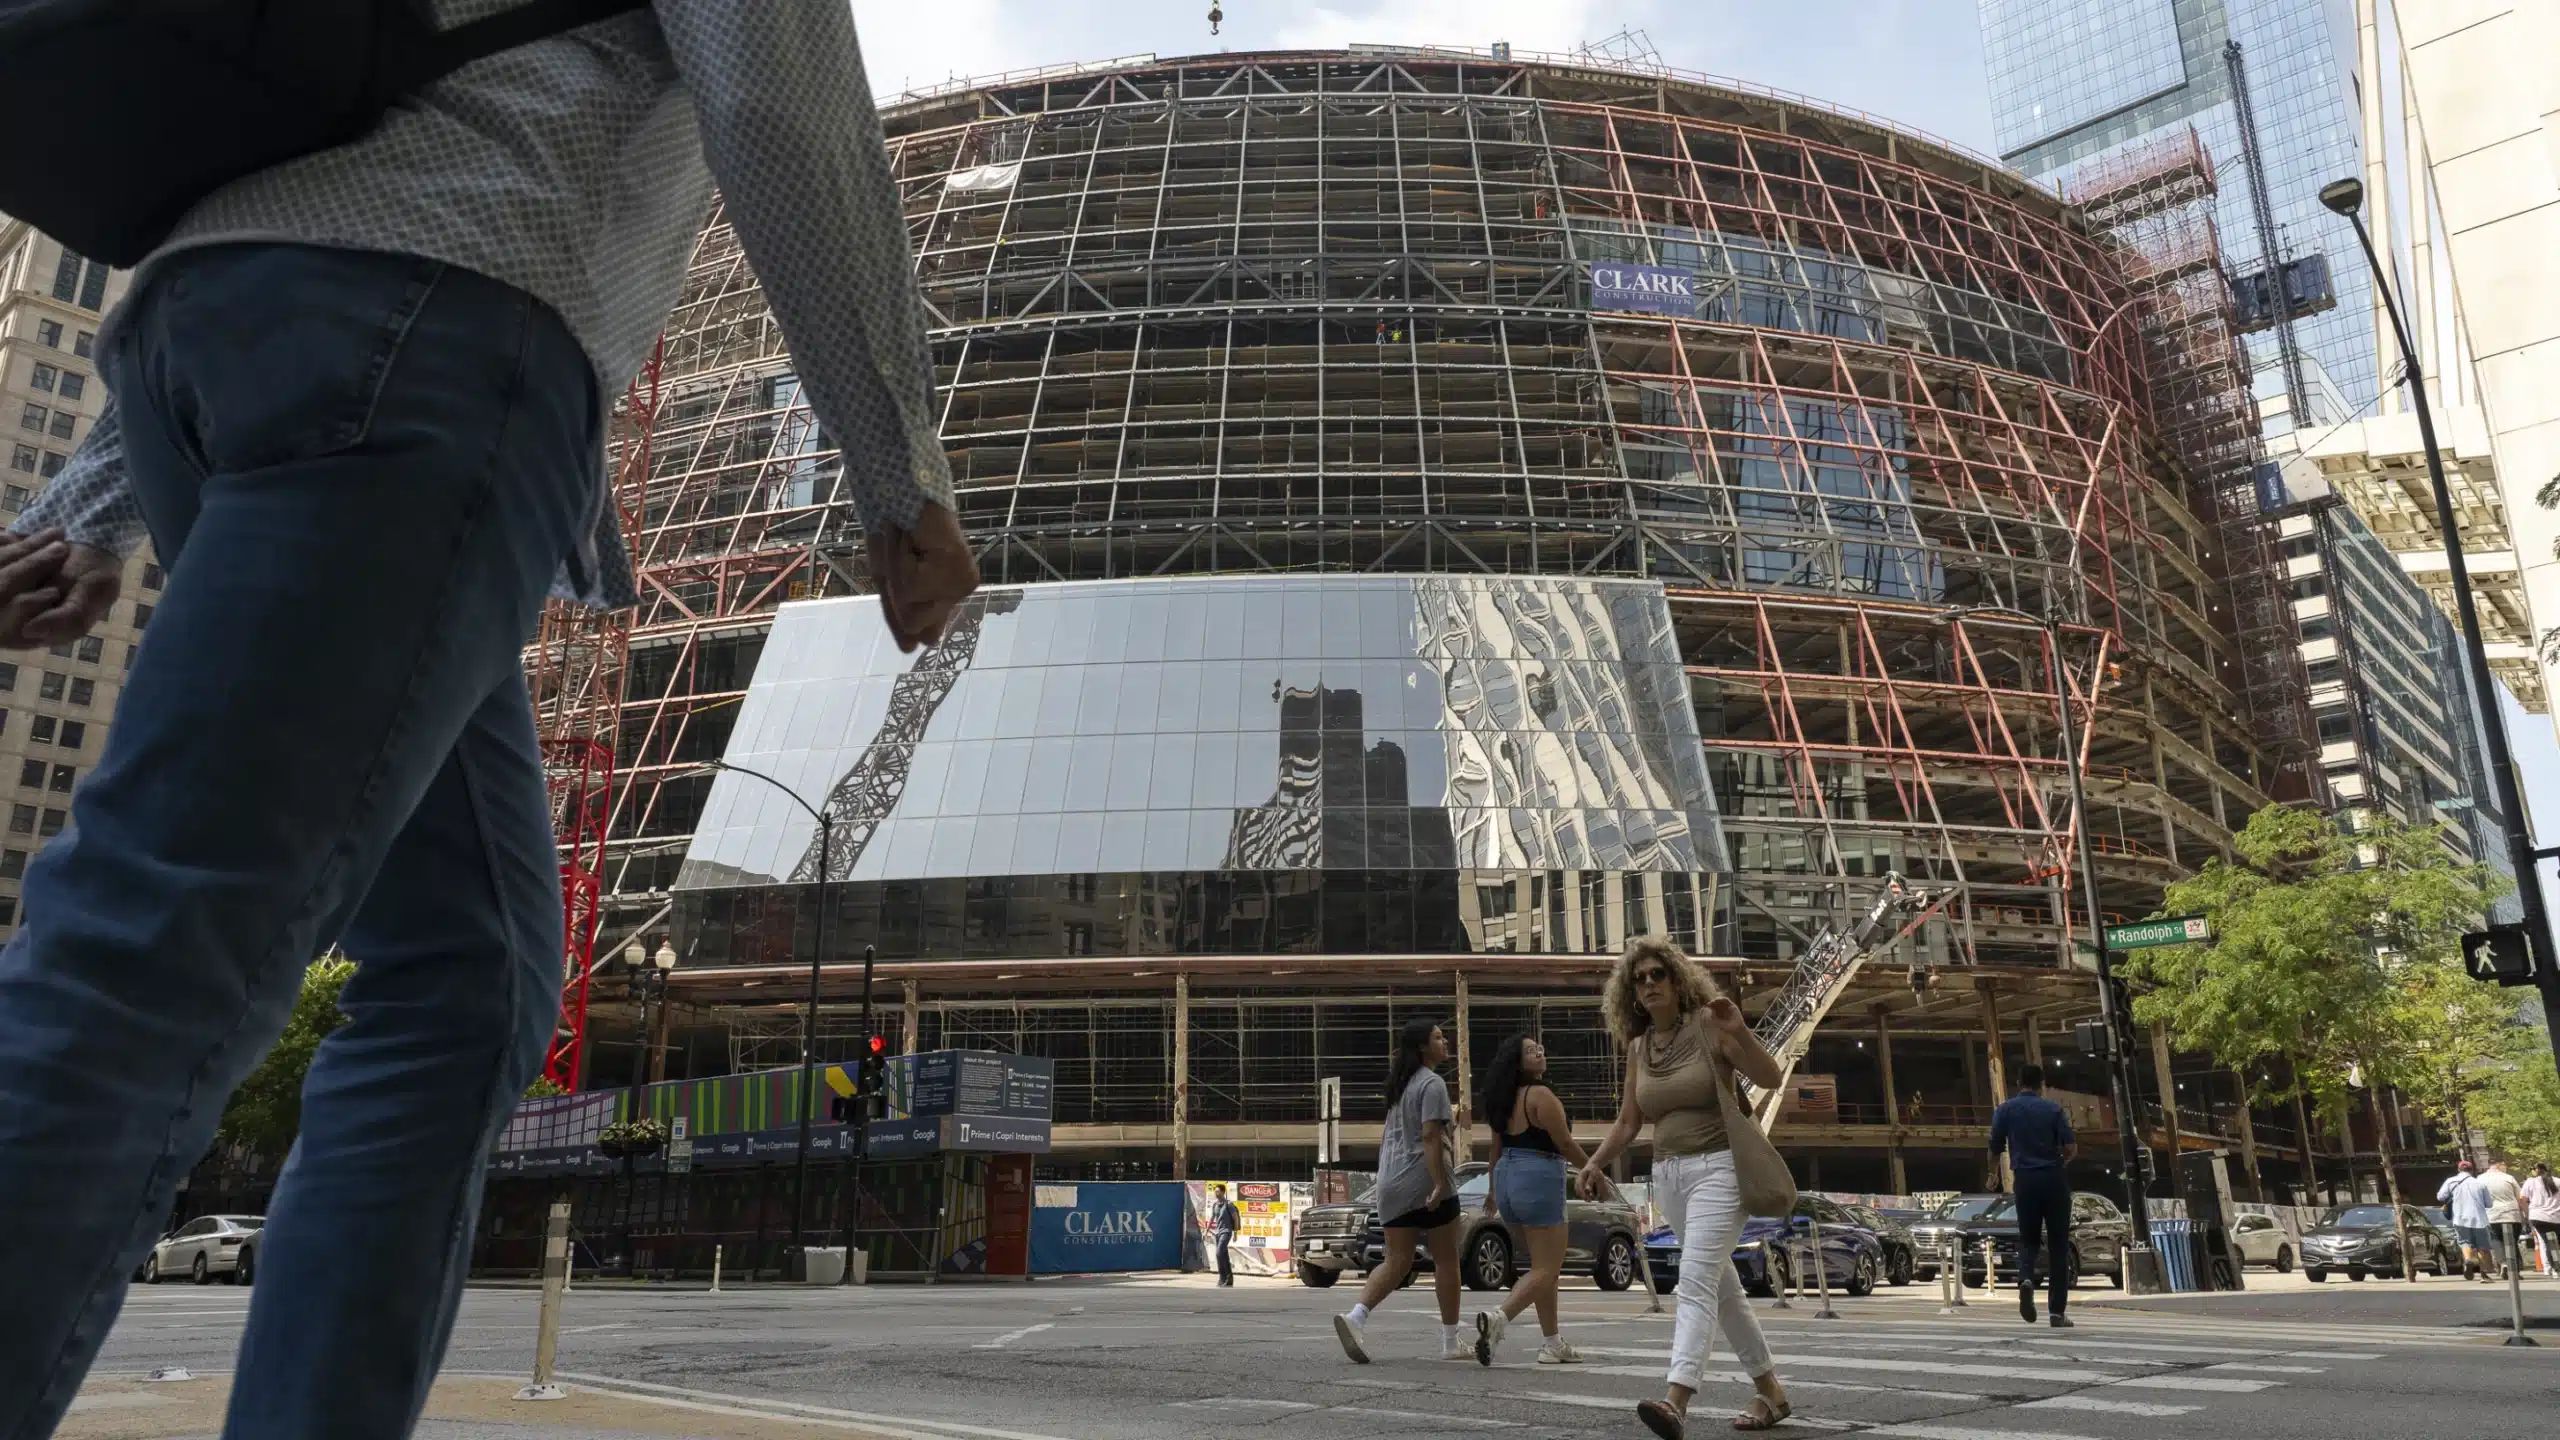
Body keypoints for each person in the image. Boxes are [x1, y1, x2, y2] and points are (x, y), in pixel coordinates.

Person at [0, 7, 980, 1437]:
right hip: (440, 345)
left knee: (477, 972)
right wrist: (900, 471)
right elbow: (779, 103)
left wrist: (82, 509)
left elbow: (335, 161)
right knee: (151, 948)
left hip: (214, 325)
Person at [1580, 938, 1794, 1436]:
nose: (1650, 983)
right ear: (1632, 993)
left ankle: (1677, 1398)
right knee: (1723, 1290)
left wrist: (1740, 1029)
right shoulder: (1638, 1048)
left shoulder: (1708, 1025)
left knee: (1695, 1279)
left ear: (1678, 981)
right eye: (1640, 979)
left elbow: (1770, 1074)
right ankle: (1772, 1392)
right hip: (1669, 1176)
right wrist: (1594, 1162)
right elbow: (1630, 1121)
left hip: (1721, 1168)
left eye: (1659, 974)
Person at [1334, 1018, 1467, 1364]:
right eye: (1439, 1037)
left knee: (1397, 1260)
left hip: (1390, 1183)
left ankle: (1357, 1316)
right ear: (1423, 1047)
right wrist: (1439, 1182)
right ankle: (1451, 1341)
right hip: (1424, 1179)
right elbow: (1430, 1137)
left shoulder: (1400, 1087)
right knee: (1446, 1259)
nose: (1446, 1041)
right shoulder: (1433, 1083)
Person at [1473, 1033, 1592, 1367]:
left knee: (1543, 1270)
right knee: (1547, 1268)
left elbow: (1494, 1151)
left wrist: (1493, 1192)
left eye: (1539, 1048)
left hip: (1508, 1180)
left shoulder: (1502, 1099)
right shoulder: (1541, 1096)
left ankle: (1552, 1343)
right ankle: (1499, 1317)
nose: (1539, 1052)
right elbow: (1565, 1144)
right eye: (1530, 1051)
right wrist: (1594, 1170)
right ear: (1518, 1062)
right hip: (1538, 1176)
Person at [1988, 1063, 2078, 1328]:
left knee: (2028, 1240)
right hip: (2053, 1178)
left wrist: (1992, 1175)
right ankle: (2056, 1313)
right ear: (2042, 1084)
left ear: (2018, 1083)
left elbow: (1994, 1147)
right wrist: (2061, 1160)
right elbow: (2071, 1147)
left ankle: (2026, 1278)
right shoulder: (2053, 1109)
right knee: (2058, 1245)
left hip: (2025, 1181)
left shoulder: (2004, 1110)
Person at [2478, 1158, 2527, 1280]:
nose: (2505, 1167)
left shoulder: (2480, 1180)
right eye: (2504, 1165)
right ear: (2498, 1165)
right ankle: (2514, 1270)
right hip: (2511, 1214)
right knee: (2511, 1242)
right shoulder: (2508, 1178)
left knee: (2496, 1240)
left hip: (2492, 1215)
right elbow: (2520, 1198)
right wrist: (2525, 1214)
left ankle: (2504, 1263)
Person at [2450, 1163, 2499, 1282]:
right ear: (2472, 1170)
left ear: (2458, 1169)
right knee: (2483, 1246)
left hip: (2460, 1219)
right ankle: (2484, 1274)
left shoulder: (2451, 1182)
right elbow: (2489, 1204)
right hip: (2479, 1220)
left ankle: (2468, 1260)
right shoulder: (2480, 1184)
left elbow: (2441, 1196)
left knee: (2465, 1242)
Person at [2524, 1162, 2560, 1275]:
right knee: (2554, 1242)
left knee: (2545, 1241)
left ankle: (2551, 1267)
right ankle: (2553, 1266)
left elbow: (2522, 1198)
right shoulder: (2557, 1181)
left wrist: (2526, 1213)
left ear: (2537, 1170)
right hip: (2555, 1216)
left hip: (2537, 1217)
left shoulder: (2530, 1182)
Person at [1208, 1183, 1241, 1287]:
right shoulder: (1215, 1205)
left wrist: (1235, 1233)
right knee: (1224, 1255)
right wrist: (1206, 1231)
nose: (1216, 1194)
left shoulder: (1229, 1204)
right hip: (1218, 1232)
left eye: (1218, 1192)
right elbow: (1212, 1218)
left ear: (1223, 1192)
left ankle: (1223, 1276)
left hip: (1226, 1232)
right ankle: (1227, 1278)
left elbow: (1235, 1218)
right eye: (1215, 1192)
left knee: (1219, 1253)